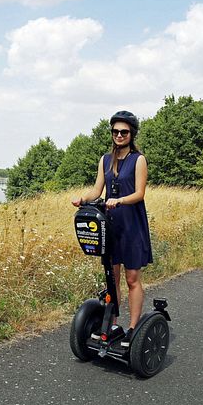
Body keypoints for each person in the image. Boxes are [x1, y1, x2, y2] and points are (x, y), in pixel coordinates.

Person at [72, 110, 152, 347]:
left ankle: (133, 329)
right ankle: (113, 324)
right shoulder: (105, 160)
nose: (119, 135)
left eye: (124, 132)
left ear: (131, 134)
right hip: (110, 225)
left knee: (132, 278)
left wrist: (120, 200)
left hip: (131, 224)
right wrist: (82, 199)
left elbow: (139, 193)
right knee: (112, 277)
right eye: (115, 131)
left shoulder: (139, 160)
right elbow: (97, 190)